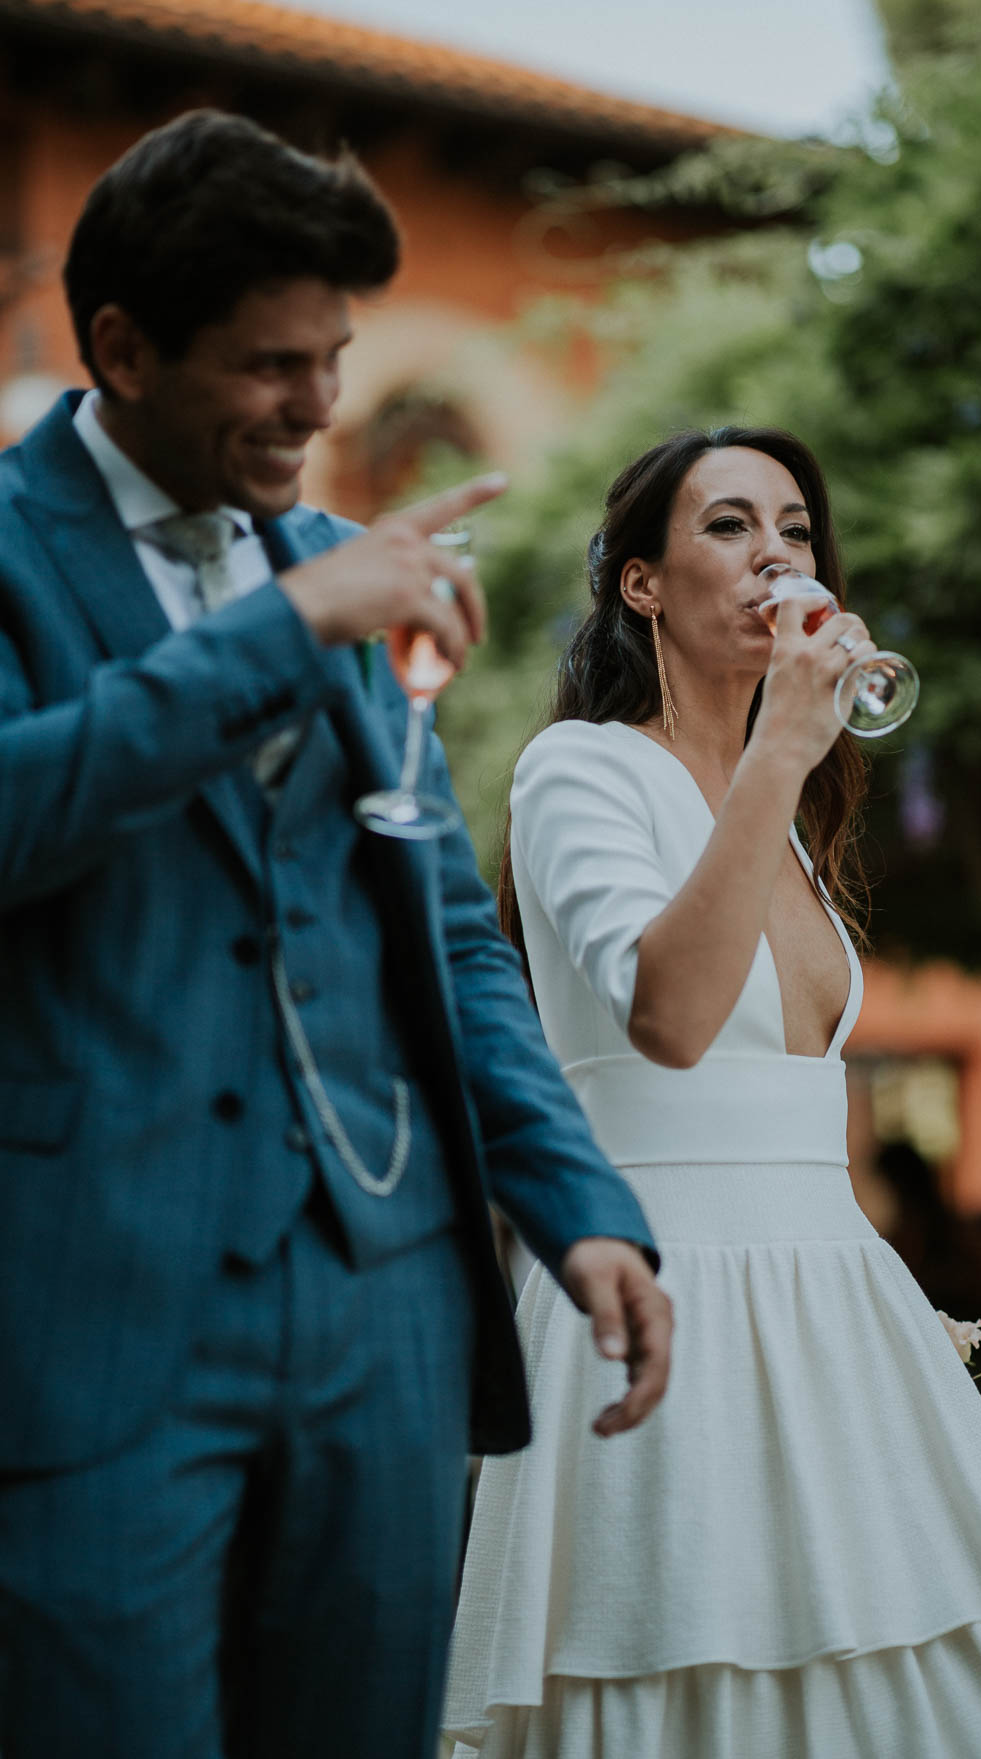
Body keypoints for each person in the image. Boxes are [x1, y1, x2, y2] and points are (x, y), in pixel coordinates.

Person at [0, 109, 673, 1759]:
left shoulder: (344, 568)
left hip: (379, 1321)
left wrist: (577, 1200)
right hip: (92, 1324)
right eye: (270, 367)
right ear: (122, 347)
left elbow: (443, 928)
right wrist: (285, 629)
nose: (322, 407)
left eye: (336, 358)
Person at [441, 427, 981, 1756]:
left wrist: (779, 765)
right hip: (663, 1298)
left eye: (795, 528)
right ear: (641, 584)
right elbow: (671, 1017)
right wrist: (779, 750)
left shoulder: (798, 820)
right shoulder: (582, 771)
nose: (775, 551)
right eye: (728, 525)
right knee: (699, 1675)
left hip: (834, 1304)